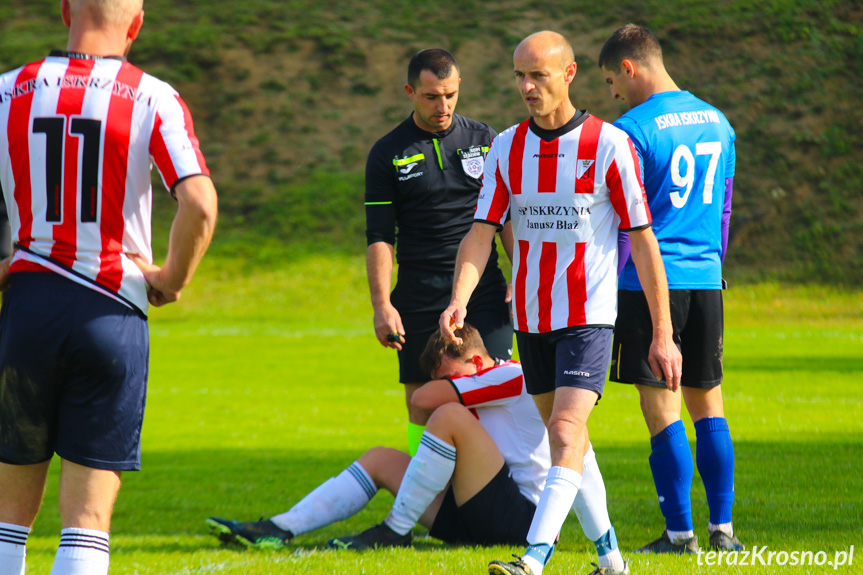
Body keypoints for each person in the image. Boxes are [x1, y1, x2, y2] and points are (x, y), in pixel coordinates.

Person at [440, 31, 683, 575]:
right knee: (567, 445)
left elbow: (643, 241)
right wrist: (460, 298)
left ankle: (534, 558)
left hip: (589, 316)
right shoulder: (506, 146)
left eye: (538, 76)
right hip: (530, 317)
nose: (526, 87)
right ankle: (612, 559)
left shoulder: (608, 144)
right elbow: (481, 231)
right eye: (519, 76)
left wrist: (662, 333)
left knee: (567, 432)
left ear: (569, 74)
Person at [0, 1, 218, 574]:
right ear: (137, 23)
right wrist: (171, 279)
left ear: (66, 10)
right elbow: (199, 203)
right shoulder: (152, 96)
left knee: (6, 517)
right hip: (111, 310)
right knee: (88, 521)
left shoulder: (8, 91)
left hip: (26, 310)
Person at [206, 326, 624, 568]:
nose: (447, 386)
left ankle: (394, 531)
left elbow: (423, 401)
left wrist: (444, 395)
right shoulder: (479, 383)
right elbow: (425, 401)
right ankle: (279, 528)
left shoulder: (512, 374)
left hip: (520, 518)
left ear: (476, 364)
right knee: (380, 458)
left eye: (451, 377)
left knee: (448, 416)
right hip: (474, 512)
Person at [598, 24, 742, 553]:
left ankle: (679, 534)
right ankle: (722, 531)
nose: (612, 92)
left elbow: (621, 222)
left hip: (649, 283)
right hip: (707, 279)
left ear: (631, 68)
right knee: (710, 405)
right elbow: (724, 210)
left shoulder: (632, 130)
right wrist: (711, 265)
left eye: (613, 80)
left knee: (662, 409)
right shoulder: (718, 121)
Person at [365, 48, 513, 455]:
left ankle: (502, 499)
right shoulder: (387, 152)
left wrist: (519, 271)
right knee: (421, 406)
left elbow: (504, 220)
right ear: (411, 92)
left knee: (494, 396)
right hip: (418, 295)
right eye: (431, 96)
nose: (442, 105)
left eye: (449, 94)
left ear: (459, 87)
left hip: (483, 289)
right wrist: (382, 304)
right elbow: (379, 236)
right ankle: (428, 505)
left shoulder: (485, 140)